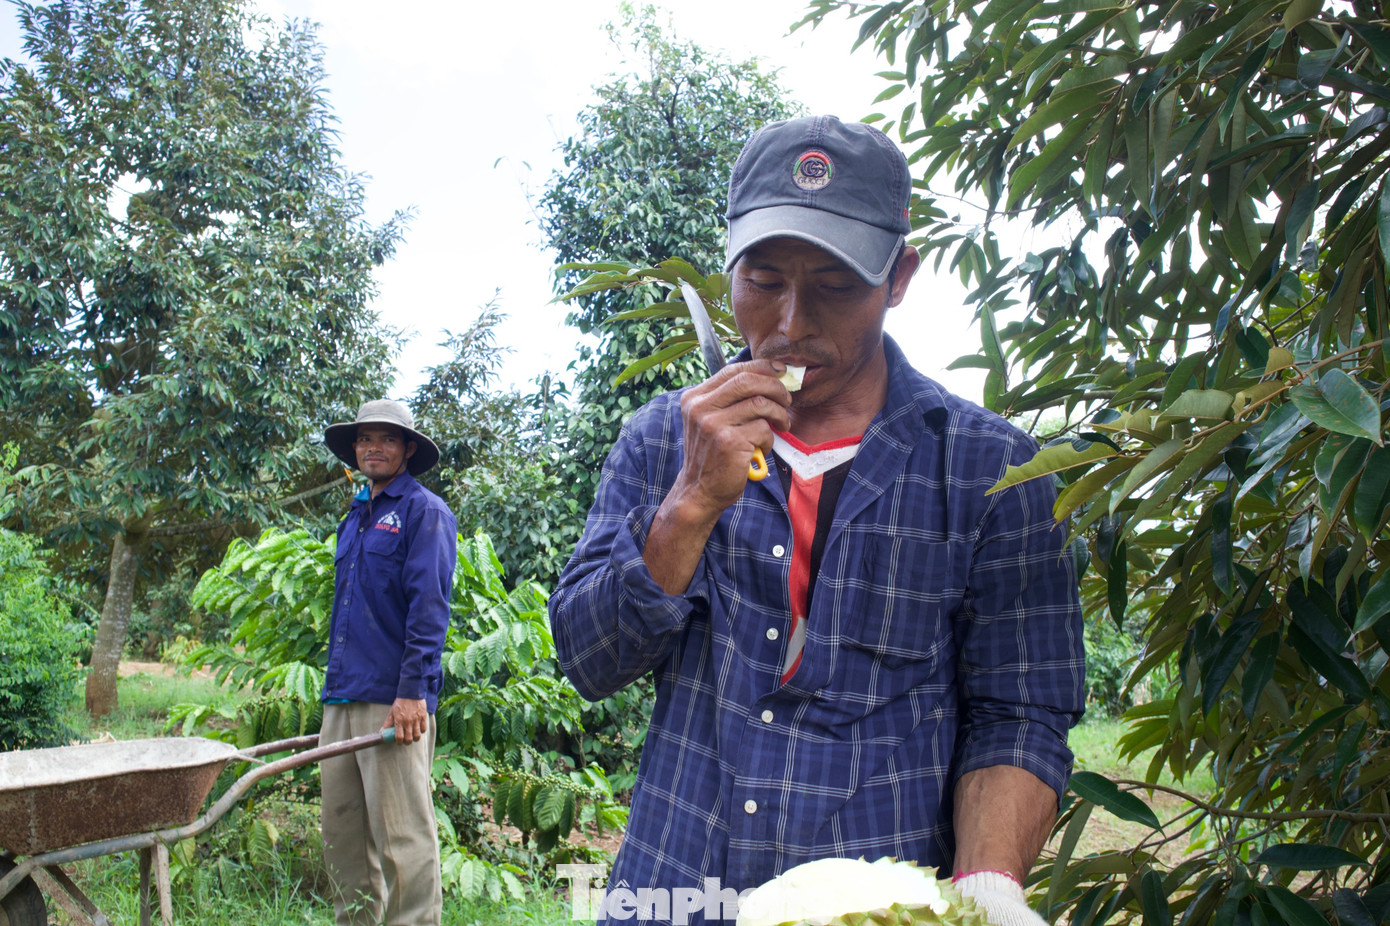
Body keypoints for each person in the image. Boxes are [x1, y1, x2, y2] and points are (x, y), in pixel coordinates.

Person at [549, 115, 1085, 926]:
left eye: (835, 285)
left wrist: (988, 893)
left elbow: (1019, 712)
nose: (792, 323)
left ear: (898, 276)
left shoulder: (992, 471)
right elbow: (588, 661)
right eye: (763, 282)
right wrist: (690, 504)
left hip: (878, 906)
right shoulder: (667, 438)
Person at [320, 399, 457, 926]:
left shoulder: (424, 512)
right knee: (343, 833)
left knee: (402, 838)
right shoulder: (354, 519)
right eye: (364, 439)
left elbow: (429, 609)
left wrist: (411, 693)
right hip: (342, 696)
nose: (373, 447)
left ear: (407, 449)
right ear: (355, 450)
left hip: (394, 701)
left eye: (387, 439)